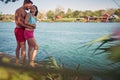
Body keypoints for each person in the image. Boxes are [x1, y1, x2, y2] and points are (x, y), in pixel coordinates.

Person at [14, 0, 35, 65]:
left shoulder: (26, 12)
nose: (30, 7)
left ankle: (20, 61)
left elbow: (28, 20)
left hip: (25, 31)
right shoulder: (19, 10)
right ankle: (23, 63)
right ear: (26, 3)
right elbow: (18, 22)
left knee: (21, 46)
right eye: (29, 5)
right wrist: (29, 26)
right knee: (22, 47)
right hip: (19, 30)